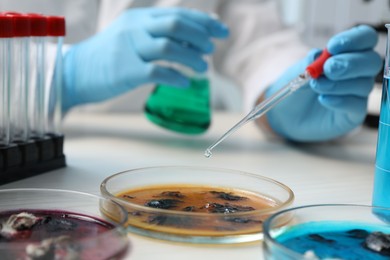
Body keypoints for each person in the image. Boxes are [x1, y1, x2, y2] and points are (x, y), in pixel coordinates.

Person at [0, 0, 382, 142]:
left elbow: (262, 45)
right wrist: (64, 75)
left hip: (161, 149)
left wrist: (283, 96)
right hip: (30, 161)